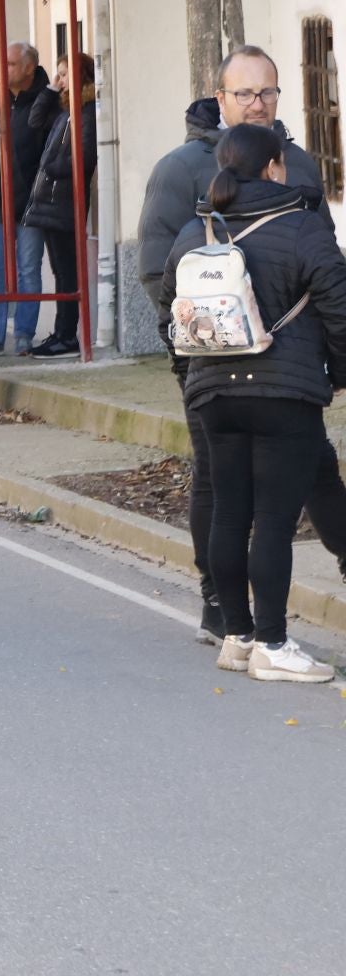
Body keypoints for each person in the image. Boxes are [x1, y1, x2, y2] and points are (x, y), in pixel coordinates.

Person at [138, 45, 346, 626]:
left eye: (268, 92)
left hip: (288, 366)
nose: (258, 104)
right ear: (220, 96)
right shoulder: (181, 169)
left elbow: (326, 268)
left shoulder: (298, 165)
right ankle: (219, 603)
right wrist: (190, 351)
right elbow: (160, 272)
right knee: (218, 483)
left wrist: (325, 359)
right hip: (212, 363)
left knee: (316, 467)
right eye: (245, 93)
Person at [161, 124, 345, 684]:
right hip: (282, 396)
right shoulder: (303, 228)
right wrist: (336, 375)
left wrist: (189, 373)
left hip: (214, 394)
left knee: (230, 510)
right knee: (272, 520)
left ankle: (237, 637)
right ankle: (274, 643)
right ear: (272, 168)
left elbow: (170, 309)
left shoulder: (196, 231)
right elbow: (339, 306)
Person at [0, 43, 55, 356]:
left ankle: (23, 335)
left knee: (28, 270)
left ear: (29, 68)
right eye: (2, 63)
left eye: (10, 64)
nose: (3, 69)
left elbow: (52, 148)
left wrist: (38, 187)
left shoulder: (46, 104)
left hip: (31, 204)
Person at [23, 53, 99, 359]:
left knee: (66, 273)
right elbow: (34, 120)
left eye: (65, 74)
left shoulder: (88, 111)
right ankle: (61, 332)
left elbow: (84, 154)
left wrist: (51, 167)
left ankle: (67, 336)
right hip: (50, 201)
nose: (61, 79)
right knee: (60, 271)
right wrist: (52, 89)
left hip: (64, 201)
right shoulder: (67, 109)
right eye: (59, 74)